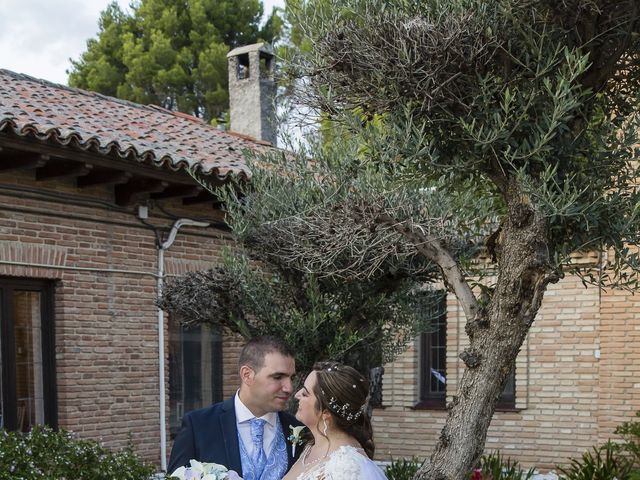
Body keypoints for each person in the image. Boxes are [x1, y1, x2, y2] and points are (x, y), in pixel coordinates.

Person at [168, 336, 303, 479]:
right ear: (247, 375)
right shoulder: (198, 425)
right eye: (278, 377)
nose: (289, 388)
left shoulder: (299, 430)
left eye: (291, 378)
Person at [282, 361, 388, 480]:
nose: (297, 395)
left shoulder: (346, 469)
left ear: (326, 413)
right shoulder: (310, 445)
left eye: (305, 394)